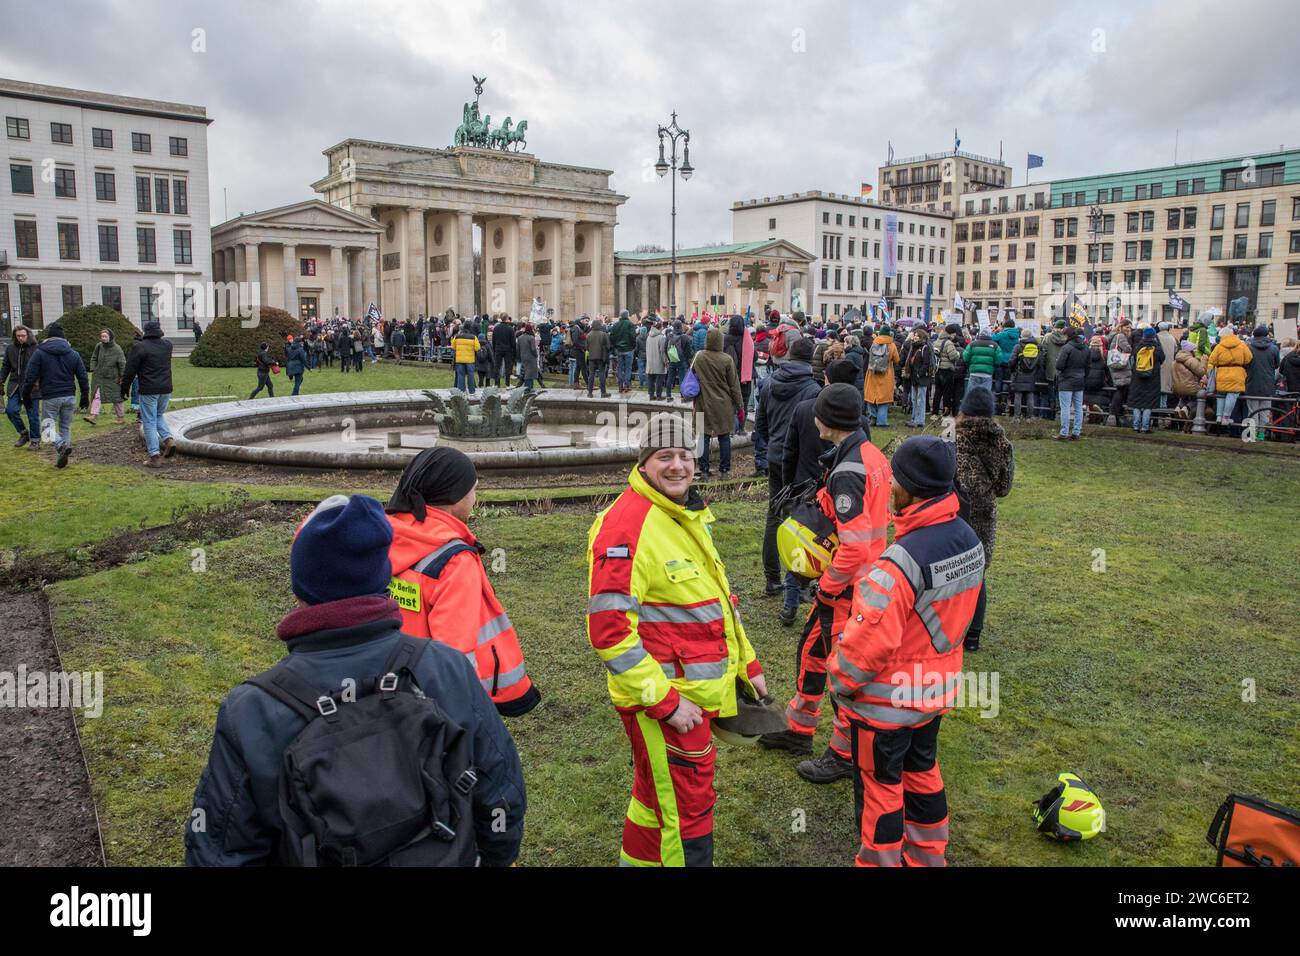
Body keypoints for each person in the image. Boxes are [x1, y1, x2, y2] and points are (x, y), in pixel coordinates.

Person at [184, 493, 526, 866]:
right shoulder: (445, 667)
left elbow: (221, 850)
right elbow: (499, 792)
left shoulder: (252, 709)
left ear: (300, 589)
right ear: (382, 578)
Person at [586, 413, 767, 866]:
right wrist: (665, 702)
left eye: (685, 455)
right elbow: (609, 632)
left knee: (656, 803)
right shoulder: (628, 526)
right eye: (664, 456)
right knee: (687, 818)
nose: (677, 466)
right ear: (644, 463)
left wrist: (749, 667)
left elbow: (718, 603)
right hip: (667, 706)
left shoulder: (684, 514)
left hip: (690, 696)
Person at [827, 436, 983, 867]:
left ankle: (878, 861)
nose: (890, 484)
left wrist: (838, 681)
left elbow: (865, 649)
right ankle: (929, 857)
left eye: (896, 478)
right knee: (923, 773)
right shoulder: (969, 539)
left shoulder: (896, 564)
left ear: (911, 488)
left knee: (881, 788)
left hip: (886, 707)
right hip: (934, 693)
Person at [760, 382, 892, 783]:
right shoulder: (866, 454)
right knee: (814, 655)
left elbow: (852, 546)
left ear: (827, 420)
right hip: (861, 582)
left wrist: (828, 585)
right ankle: (798, 729)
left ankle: (844, 753)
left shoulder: (849, 472)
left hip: (849, 588)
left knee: (842, 671)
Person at [385, 447, 541, 716]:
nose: (475, 498)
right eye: (473, 489)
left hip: (389, 689)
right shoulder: (454, 561)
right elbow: (455, 658)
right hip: (436, 707)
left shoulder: (387, 536)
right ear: (454, 496)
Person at [756, 338, 821, 597]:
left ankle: (773, 578)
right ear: (810, 358)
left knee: (774, 516)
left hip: (776, 456)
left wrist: (773, 443)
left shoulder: (770, 383)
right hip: (802, 462)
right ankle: (798, 583)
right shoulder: (813, 389)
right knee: (803, 522)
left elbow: (759, 425)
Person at [953, 388, 1014, 652]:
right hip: (982, 515)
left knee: (946, 571)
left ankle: (947, 630)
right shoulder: (1001, 442)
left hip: (951, 511)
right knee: (977, 575)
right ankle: (973, 637)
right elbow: (1004, 487)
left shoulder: (950, 437)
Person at [21, 322, 89, 469]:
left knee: (46, 429)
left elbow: (30, 376)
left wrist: (26, 395)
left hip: (50, 396)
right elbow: (83, 377)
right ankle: (62, 456)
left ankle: (60, 445)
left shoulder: (40, 353)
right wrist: (84, 396)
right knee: (65, 427)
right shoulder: (73, 354)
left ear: (49, 338)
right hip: (69, 396)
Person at [120, 320, 175, 467]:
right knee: (158, 415)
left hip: (149, 389)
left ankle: (154, 456)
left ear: (145, 331)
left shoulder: (140, 348)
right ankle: (169, 439)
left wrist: (124, 389)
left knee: (148, 421)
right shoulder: (167, 345)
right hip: (166, 388)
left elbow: (130, 370)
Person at [690, 326, 743, 479]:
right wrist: (740, 405)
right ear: (721, 341)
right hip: (723, 404)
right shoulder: (727, 360)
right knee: (724, 436)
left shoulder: (699, 356)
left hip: (702, 402)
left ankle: (704, 470)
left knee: (703, 437)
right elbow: (734, 385)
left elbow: (692, 376)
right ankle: (724, 470)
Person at [1, 325, 40, 448]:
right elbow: (5, 366)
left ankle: (35, 440)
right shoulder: (10, 349)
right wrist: (0, 381)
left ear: (28, 335)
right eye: (18, 336)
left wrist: (38, 382)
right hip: (15, 385)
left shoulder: (36, 349)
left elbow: (42, 367)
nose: (20, 338)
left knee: (32, 415)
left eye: (23, 335)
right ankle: (24, 433)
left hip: (32, 386)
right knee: (11, 410)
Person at [1207, 325, 1253, 427]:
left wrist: (1210, 372)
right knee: (1232, 395)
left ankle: (1219, 416)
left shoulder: (1219, 347)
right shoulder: (1241, 345)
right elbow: (1249, 358)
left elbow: (1211, 361)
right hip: (1237, 373)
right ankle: (1226, 417)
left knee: (1221, 395)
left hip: (1222, 373)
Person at [1053, 326, 1090, 440]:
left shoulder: (1066, 348)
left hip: (1066, 380)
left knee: (1065, 408)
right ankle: (1076, 432)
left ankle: (1064, 433)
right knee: (1078, 408)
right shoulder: (1086, 348)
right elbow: (1088, 366)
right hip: (1080, 380)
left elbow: (1059, 365)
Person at [83, 329, 127, 426]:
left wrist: (122, 376)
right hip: (99, 377)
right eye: (102, 336)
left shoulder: (117, 349)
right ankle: (93, 417)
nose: (103, 338)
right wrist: (93, 368)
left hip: (113, 378)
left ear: (110, 337)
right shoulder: (98, 346)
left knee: (117, 398)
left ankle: (121, 418)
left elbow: (122, 363)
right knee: (97, 395)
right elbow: (94, 357)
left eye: (105, 336)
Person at [1243, 325, 1280, 437]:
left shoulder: (1248, 347)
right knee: (1265, 411)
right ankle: (1261, 435)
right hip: (1268, 384)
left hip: (1251, 382)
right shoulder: (1274, 348)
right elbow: (1276, 365)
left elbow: (1245, 364)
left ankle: (1253, 434)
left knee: (1252, 411)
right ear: (1266, 335)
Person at [1128, 327, 1165, 433]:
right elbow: (1162, 359)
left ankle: (1136, 426)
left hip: (1137, 378)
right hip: (1152, 379)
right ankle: (1145, 427)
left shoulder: (1138, 346)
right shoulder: (1157, 347)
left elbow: (1133, 359)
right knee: (1148, 404)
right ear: (1154, 336)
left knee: (1137, 403)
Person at [864, 324, 901, 427]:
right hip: (886, 373)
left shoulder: (874, 343)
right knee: (883, 399)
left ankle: (872, 418)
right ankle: (882, 421)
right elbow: (897, 359)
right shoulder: (892, 345)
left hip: (872, 372)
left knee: (872, 396)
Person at [903, 326, 934, 427]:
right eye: (914, 335)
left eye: (917, 336)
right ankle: (914, 418)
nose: (915, 337)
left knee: (920, 400)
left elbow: (926, 363)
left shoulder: (925, 348)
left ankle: (919, 420)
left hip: (921, 378)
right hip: (914, 377)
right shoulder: (914, 347)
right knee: (914, 399)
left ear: (921, 337)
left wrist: (919, 373)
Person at [1008, 329, 1041, 420]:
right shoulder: (1037, 346)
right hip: (1032, 375)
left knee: (1018, 396)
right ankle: (1030, 417)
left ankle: (1017, 417)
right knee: (1030, 396)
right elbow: (1040, 362)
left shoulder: (1018, 346)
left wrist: (1011, 369)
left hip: (1019, 374)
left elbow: (1012, 361)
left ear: (1022, 336)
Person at [1106, 319, 1134, 426]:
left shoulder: (1114, 335)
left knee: (1121, 388)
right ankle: (1114, 412)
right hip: (1120, 365)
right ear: (1121, 327)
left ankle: (1116, 414)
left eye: (1130, 327)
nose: (1129, 329)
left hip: (1116, 363)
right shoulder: (1121, 336)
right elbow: (1127, 349)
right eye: (1127, 327)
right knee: (1122, 388)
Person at [961, 329, 1002, 401]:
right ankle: (983, 411)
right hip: (987, 374)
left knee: (972, 395)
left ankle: (972, 410)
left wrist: (970, 365)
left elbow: (965, 358)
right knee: (985, 396)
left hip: (974, 373)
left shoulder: (972, 344)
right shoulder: (995, 346)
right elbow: (998, 361)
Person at [609, 309, 637, 394]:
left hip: (619, 350)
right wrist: (632, 347)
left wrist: (615, 346)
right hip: (628, 349)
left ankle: (620, 385)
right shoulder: (630, 324)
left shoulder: (616, 325)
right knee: (628, 368)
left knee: (620, 368)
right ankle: (627, 385)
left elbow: (612, 337)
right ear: (627, 316)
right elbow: (633, 337)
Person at [585, 317, 612, 398]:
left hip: (591, 357)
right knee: (602, 374)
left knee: (591, 375)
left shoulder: (588, 335)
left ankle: (590, 393)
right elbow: (608, 346)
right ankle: (603, 393)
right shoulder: (603, 334)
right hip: (601, 357)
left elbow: (586, 347)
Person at [452, 321, 478, 393]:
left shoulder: (457, 336)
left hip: (459, 359)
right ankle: (472, 391)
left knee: (460, 375)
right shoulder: (473, 337)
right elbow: (477, 348)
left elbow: (453, 346)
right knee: (471, 375)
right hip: (470, 360)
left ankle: (461, 391)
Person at [645, 321, 669, 400]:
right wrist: (665, 361)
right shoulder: (661, 337)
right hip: (658, 361)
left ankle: (651, 395)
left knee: (650, 379)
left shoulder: (648, 336)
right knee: (659, 379)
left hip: (650, 360)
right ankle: (658, 395)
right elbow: (662, 351)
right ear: (660, 328)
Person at [491, 316, 516, 387]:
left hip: (498, 349)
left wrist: (494, 349)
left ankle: (496, 383)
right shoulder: (510, 329)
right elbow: (513, 342)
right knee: (507, 367)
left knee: (497, 367)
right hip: (507, 350)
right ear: (507, 319)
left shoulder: (496, 328)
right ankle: (507, 384)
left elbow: (493, 340)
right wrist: (514, 351)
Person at [515, 322, 539, 392]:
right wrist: (536, 355)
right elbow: (533, 349)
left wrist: (519, 357)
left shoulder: (520, 338)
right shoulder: (531, 338)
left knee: (526, 372)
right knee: (529, 373)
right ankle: (528, 388)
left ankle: (528, 387)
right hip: (531, 357)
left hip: (523, 357)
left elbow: (517, 349)